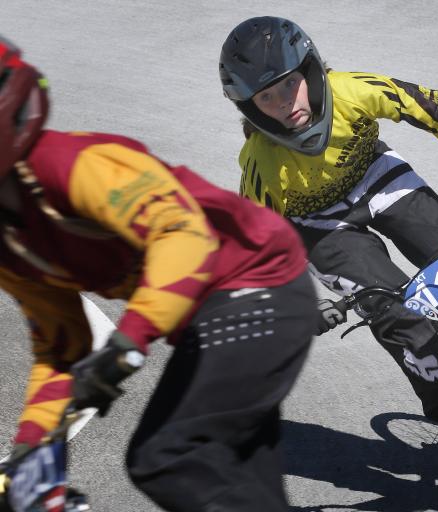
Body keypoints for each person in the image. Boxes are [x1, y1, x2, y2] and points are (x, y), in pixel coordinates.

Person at [219, 16, 438, 487]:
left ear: (311, 72)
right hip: (322, 228)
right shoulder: (260, 166)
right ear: (249, 108)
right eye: (266, 97)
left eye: (290, 84)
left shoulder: (350, 90)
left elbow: (430, 108)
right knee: (401, 320)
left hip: (380, 180)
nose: (284, 104)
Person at [0, 36, 317, 512]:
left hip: (260, 278)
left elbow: (183, 235)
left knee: (166, 457)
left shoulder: (71, 163)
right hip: (210, 314)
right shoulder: (9, 245)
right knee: (242, 484)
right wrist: (31, 445)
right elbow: (61, 347)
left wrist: (128, 344)